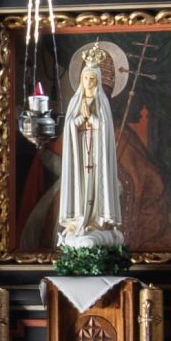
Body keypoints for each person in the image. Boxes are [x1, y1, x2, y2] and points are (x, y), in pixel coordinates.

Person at [56, 41, 126, 248]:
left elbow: (104, 129)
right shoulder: (75, 102)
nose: (88, 82)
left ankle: (96, 220)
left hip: (96, 155)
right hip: (80, 154)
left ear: (98, 81)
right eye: (85, 78)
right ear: (80, 79)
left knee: (96, 185)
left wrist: (91, 118)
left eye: (92, 79)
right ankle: (79, 218)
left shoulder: (102, 103)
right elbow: (70, 125)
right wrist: (80, 118)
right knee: (80, 185)